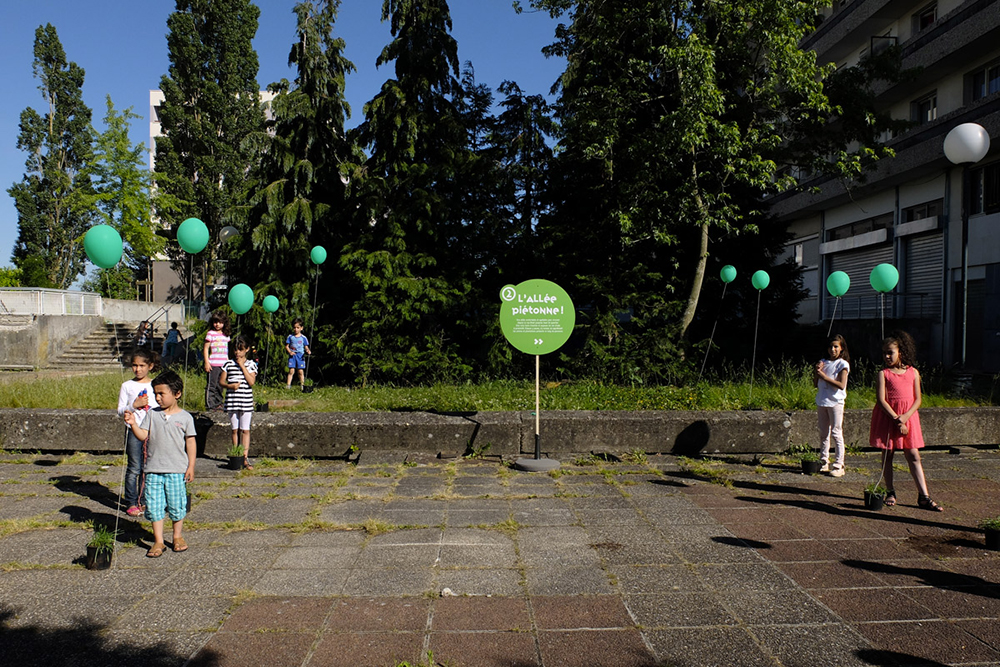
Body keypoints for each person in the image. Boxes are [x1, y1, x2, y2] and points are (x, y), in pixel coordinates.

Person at [123, 371, 197, 557]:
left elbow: (191, 442)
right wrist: (133, 423)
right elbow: (143, 436)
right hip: (153, 470)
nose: (157, 398)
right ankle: (158, 541)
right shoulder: (152, 415)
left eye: (161, 394)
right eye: (155, 393)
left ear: (177, 394)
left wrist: (191, 466)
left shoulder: (185, 417)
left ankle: (177, 536)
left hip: (176, 470)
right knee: (154, 506)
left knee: (176, 504)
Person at [869, 330, 942, 511]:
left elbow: (918, 399)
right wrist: (896, 419)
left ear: (900, 351)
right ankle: (890, 491)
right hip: (890, 418)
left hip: (908, 418)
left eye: (890, 352)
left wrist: (905, 418)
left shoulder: (913, 372)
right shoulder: (883, 374)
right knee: (888, 456)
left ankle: (924, 495)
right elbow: (881, 400)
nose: (886, 356)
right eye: (884, 352)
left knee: (914, 455)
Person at [116, 348, 160, 517]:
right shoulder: (127, 386)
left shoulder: (155, 384)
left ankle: (144, 500)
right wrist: (133, 406)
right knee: (134, 467)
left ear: (150, 366)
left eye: (142, 365)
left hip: (152, 431)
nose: (138, 369)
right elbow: (120, 410)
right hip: (133, 431)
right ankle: (132, 501)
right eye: (134, 365)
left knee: (148, 467)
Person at [813, 334, 850, 477]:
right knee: (823, 433)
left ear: (841, 348)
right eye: (830, 346)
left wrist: (824, 377)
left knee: (836, 432)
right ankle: (824, 461)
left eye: (836, 347)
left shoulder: (843, 364)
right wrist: (817, 372)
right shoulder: (823, 362)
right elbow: (815, 383)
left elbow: (841, 385)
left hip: (835, 402)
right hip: (822, 401)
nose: (833, 349)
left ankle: (839, 464)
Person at [220, 335, 258, 470]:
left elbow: (251, 381)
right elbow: (221, 381)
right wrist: (230, 386)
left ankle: (245, 456)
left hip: (246, 402)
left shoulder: (251, 365)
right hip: (232, 401)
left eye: (241, 350)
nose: (238, 352)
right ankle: (235, 455)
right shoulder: (228, 364)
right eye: (236, 350)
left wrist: (242, 366)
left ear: (246, 350)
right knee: (235, 429)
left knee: (245, 429)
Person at [203, 311, 231, 410]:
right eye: (215, 322)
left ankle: (219, 403)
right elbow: (206, 348)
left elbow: (226, 350)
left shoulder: (226, 335)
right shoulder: (211, 334)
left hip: (223, 364)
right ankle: (210, 405)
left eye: (220, 322)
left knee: (220, 385)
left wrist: (228, 363)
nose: (217, 324)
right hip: (213, 364)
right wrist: (207, 362)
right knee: (212, 385)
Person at [285, 318, 311, 389]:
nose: (296, 329)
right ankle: (288, 385)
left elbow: (306, 346)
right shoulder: (290, 337)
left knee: (300, 371)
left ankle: (302, 385)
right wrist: (290, 352)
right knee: (291, 370)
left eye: (298, 327)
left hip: (300, 356)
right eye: (294, 327)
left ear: (301, 328)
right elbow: (287, 346)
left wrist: (308, 350)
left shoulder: (303, 338)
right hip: (292, 355)